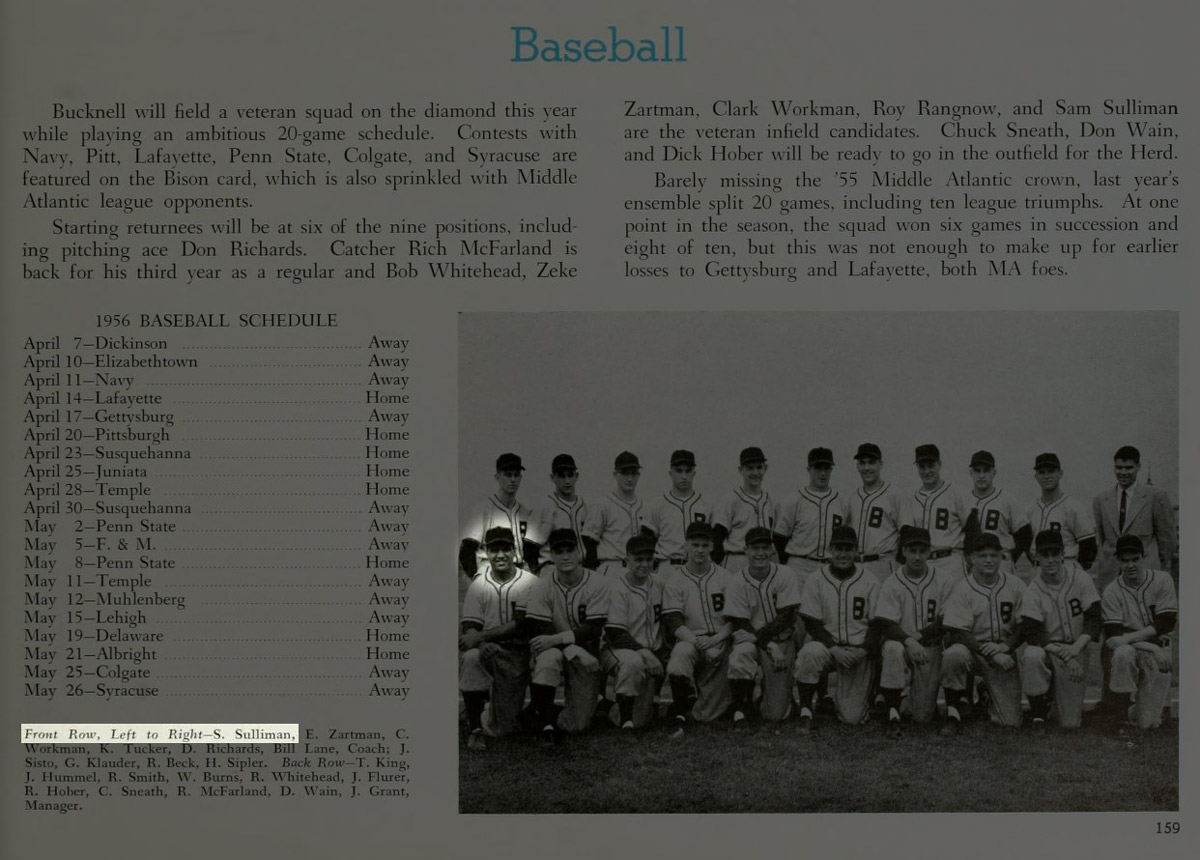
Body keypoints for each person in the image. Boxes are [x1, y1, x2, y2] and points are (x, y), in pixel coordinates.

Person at [458, 527, 541, 750]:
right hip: (490, 652)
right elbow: (469, 626)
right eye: (495, 550)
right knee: (472, 656)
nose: (501, 555)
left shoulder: (530, 582)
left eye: (506, 549)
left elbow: (523, 624)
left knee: (504, 729)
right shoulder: (479, 584)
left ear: (514, 551)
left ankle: (488, 708)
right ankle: (475, 727)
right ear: (486, 552)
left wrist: (482, 636)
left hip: (519, 654)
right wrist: (482, 644)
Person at [872, 526, 958, 737]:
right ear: (903, 552)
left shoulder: (944, 579)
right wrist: (910, 641)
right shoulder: (892, 582)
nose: (917, 556)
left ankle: (905, 701)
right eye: (912, 551)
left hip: (930, 648)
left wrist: (919, 637)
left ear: (929, 552)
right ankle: (892, 713)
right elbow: (886, 623)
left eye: (922, 551)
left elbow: (947, 619)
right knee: (891, 648)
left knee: (922, 717)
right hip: (902, 646)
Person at [523, 529, 610, 737]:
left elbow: (594, 628)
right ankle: (545, 723)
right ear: (551, 556)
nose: (565, 556)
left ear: (579, 552)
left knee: (577, 725)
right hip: (558, 649)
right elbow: (541, 631)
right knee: (547, 658)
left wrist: (564, 643)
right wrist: (572, 649)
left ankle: (539, 710)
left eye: (569, 550)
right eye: (559, 551)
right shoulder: (542, 586)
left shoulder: (598, 582)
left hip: (587, 651)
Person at [794, 525, 880, 732]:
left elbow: (878, 624)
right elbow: (812, 623)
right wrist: (833, 649)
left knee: (852, 718)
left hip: (857, 651)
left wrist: (863, 651)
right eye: (839, 548)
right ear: (830, 549)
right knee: (809, 653)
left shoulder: (870, 580)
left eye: (848, 549)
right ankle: (806, 709)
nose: (843, 554)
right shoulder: (816, 578)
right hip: (828, 648)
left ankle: (863, 696)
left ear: (856, 551)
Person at [940, 533, 1028, 734]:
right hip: (973, 650)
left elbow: (1026, 625)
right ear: (972, 558)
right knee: (953, 655)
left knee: (1010, 722)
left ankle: (985, 693)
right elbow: (958, 632)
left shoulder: (1016, 585)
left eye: (993, 555)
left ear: (1001, 557)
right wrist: (990, 652)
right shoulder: (963, 588)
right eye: (982, 556)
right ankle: (953, 711)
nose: (989, 560)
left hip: (1003, 651)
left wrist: (1006, 647)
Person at [1017, 529, 1102, 732]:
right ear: (1036, 556)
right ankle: (1038, 714)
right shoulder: (1033, 589)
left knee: (1069, 723)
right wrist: (1064, 654)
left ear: (1064, 554)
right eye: (1045, 554)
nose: (1051, 559)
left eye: (1055, 554)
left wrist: (1076, 649)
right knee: (1032, 654)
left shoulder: (1081, 578)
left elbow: (1095, 619)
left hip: (1077, 646)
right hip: (1050, 649)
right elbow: (1033, 632)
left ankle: (1053, 698)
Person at [723, 527, 803, 723]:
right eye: (755, 548)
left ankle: (772, 697)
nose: (760, 553)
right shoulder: (737, 580)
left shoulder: (786, 573)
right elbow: (740, 621)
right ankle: (741, 707)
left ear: (772, 550)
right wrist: (767, 643)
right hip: (754, 641)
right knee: (741, 653)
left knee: (775, 714)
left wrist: (764, 639)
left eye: (765, 548)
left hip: (781, 639)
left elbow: (787, 616)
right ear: (746, 550)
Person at [661, 522, 733, 731]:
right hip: (692, 641)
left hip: (721, 641)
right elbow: (674, 621)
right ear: (686, 546)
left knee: (706, 715)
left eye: (704, 545)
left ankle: (727, 703)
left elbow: (735, 619)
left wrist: (717, 640)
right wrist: (703, 645)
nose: (700, 550)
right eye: (695, 545)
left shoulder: (725, 576)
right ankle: (680, 709)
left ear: (712, 546)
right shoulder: (676, 580)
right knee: (679, 658)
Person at [1101, 535, 1177, 732]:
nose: (1130, 565)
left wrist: (1127, 637)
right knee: (1123, 653)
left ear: (1143, 557)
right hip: (1140, 650)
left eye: (1135, 559)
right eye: (1125, 560)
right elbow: (1113, 635)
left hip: (1158, 654)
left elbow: (1166, 622)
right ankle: (1120, 716)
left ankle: (1138, 708)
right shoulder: (1111, 591)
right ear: (1118, 560)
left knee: (1148, 724)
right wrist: (1151, 644)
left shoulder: (1162, 580)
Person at [602, 534, 669, 729]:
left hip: (650, 651)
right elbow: (615, 632)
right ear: (627, 559)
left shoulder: (660, 584)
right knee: (633, 662)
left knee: (645, 719)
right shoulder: (617, 588)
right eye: (638, 559)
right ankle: (626, 721)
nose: (644, 564)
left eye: (648, 559)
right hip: (619, 650)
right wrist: (646, 653)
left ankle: (663, 705)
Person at [1093, 446, 1177, 582]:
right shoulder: (1101, 499)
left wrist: (1156, 566)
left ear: (1138, 467)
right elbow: (1102, 539)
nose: (1123, 472)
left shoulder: (1156, 496)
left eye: (1129, 468)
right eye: (1119, 468)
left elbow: (1167, 540)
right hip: (1111, 576)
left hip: (1145, 575)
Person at [774, 447, 853, 579]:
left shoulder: (841, 502)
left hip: (830, 567)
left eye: (826, 468)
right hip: (799, 566)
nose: (822, 473)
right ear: (808, 469)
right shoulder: (794, 500)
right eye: (818, 468)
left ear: (831, 470)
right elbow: (779, 538)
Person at [460, 453, 537, 582]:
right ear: (497, 477)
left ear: (521, 477)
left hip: (519, 575)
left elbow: (533, 553)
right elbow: (466, 551)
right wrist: (477, 580)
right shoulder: (483, 511)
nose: (512, 479)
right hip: (490, 575)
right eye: (507, 474)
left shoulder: (525, 513)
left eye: (516, 475)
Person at [903, 444, 974, 579]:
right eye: (922, 467)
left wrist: (970, 558)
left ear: (939, 465)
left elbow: (972, 528)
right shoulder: (912, 499)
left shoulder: (956, 493)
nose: (926, 471)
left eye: (931, 466)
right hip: (923, 563)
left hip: (951, 561)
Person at [964, 450, 1031, 575]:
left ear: (994, 472)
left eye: (986, 470)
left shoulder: (1007, 500)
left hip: (1001, 562)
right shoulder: (963, 500)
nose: (981, 475)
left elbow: (1024, 533)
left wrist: (1010, 556)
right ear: (971, 473)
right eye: (977, 470)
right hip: (974, 564)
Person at [1025, 452, 1096, 571]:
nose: (1046, 476)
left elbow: (1089, 546)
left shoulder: (1073, 507)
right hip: (1039, 568)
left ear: (1060, 473)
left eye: (1051, 471)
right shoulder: (1030, 510)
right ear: (1036, 476)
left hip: (1066, 565)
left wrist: (1076, 572)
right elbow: (1026, 544)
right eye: (1042, 472)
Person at [712, 446, 779, 572]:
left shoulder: (771, 501)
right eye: (750, 468)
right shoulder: (731, 499)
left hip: (764, 560)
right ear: (740, 470)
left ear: (765, 468)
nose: (755, 473)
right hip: (737, 559)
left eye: (759, 467)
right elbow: (716, 538)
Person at [582, 450, 651, 569]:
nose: (629, 478)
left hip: (638, 570)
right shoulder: (602, 504)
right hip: (611, 567)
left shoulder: (645, 507)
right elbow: (589, 543)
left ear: (638, 475)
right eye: (624, 473)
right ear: (615, 474)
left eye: (633, 473)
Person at [647, 449, 714, 566]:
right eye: (679, 471)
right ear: (670, 473)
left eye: (688, 471)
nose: (684, 476)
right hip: (668, 566)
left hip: (699, 567)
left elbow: (714, 542)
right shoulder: (657, 505)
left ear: (694, 473)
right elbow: (647, 542)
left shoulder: (707, 504)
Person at [851, 442, 904, 582]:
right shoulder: (853, 498)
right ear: (857, 466)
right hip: (857, 566)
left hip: (884, 564)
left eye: (872, 463)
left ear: (881, 464)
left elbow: (906, 531)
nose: (867, 468)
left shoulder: (895, 495)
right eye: (862, 463)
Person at [529, 453, 588, 570]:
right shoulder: (545, 505)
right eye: (561, 476)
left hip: (579, 568)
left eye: (570, 475)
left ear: (576, 476)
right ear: (553, 478)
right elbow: (531, 545)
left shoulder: (583, 505)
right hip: (552, 568)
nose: (567, 481)